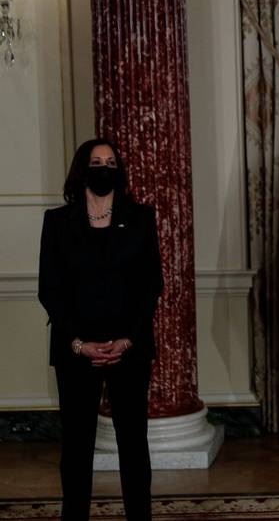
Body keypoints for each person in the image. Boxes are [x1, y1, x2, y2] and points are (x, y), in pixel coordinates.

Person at [38, 138, 163, 521]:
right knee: (76, 447)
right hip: (76, 349)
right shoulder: (58, 221)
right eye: (96, 161)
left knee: (133, 444)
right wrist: (80, 343)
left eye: (110, 161)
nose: (104, 167)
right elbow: (50, 289)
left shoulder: (141, 218)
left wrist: (127, 339)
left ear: (119, 171)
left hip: (129, 348)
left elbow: (150, 285)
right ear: (82, 169)